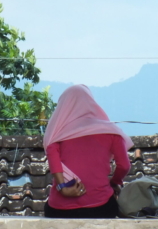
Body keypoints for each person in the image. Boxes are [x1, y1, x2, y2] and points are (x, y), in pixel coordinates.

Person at [43, 85, 133, 218]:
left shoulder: (57, 135)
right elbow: (124, 166)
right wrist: (114, 183)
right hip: (101, 207)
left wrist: (64, 189)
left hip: (60, 209)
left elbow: (54, 162)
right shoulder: (111, 132)